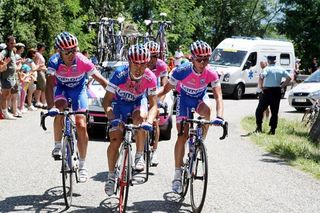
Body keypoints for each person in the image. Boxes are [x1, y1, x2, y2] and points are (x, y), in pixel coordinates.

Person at [158, 40, 224, 193]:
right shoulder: (182, 70)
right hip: (184, 100)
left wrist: (220, 117)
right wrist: (153, 101)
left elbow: (219, 97)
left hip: (200, 99)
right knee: (182, 135)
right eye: (199, 59)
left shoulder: (211, 72)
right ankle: (177, 173)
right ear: (192, 58)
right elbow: (165, 89)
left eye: (206, 59)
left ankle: (200, 142)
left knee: (208, 112)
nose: (203, 63)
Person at [46, 32, 108, 182]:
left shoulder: (82, 60)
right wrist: (50, 108)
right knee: (59, 110)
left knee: (81, 124)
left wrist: (114, 96)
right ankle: (57, 144)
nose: (71, 54)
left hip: (79, 91)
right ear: (58, 51)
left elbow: (101, 80)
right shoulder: (54, 61)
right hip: (61, 89)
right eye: (67, 51)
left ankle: (83, 164)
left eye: (74, 50)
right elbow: (49, 85)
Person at [103, 44, 158, 196]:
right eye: (135, 63)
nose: (139, 67)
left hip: (136, 103)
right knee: (115, 139)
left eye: (143, 64)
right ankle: (111, 176)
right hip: (118, 104)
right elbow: (106, 101)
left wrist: (149, 122)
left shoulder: (150, 77)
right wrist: (112, 118)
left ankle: (139, 156)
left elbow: (154, 105)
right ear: (129, 62)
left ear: (147, 63)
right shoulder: (119, 74)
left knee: (141, 118)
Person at [144, 40, 169, 166]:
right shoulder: (140, 63)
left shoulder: (162, 65)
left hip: (156, 92)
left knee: (155, 121)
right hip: (142, 92)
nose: (153, 59)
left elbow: (165, 86)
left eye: (156, 56)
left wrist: (160, 102)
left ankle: (155, 151)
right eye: (151, 55)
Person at [255, 55, 291, 135]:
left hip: (267, 91)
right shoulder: (280, 69)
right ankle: (272, 129)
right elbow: (289, 78)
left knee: (259, 110)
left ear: (268, 61)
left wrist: (261, 87)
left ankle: (259, 127)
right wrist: (282, 86)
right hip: (276, 91)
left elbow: (261, 77)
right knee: (274, 112)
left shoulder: (266, 69)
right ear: (275, 61)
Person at [0, 36, 17, 120]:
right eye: (11, 43)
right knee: (5, 96)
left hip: (11, 77)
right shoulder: (5, 51)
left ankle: (5, 111)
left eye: (14, 43)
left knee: (8, 95)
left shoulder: (11, 51)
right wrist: (3, 63)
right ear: (7, 43)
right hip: (6, 77)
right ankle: (5, 112)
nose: (13, 44)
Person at [34, 43, 47, 109]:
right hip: (39, 72)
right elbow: (36, 65)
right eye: (43, 47)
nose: (44, 48)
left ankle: (38, 101)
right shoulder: (37, 54)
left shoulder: (40, 54)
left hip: (42, 71)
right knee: (44, 87)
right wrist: (43, 68)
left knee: (39, 88)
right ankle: (43, 102)